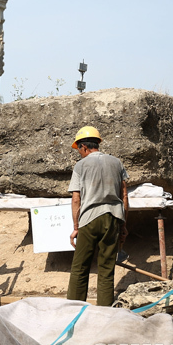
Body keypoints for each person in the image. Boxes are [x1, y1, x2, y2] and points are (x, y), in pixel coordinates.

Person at [66, 126, 129, 306]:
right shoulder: (117, 163)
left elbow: (76, 199)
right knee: (107, 269)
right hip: (113, 218)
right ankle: (104, 314)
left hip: (89, 219)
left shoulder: (80, 166)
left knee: (80, 268)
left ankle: (73, 310)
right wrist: (123, 225)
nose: (79, 153)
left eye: (78, 149)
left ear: (84, 147)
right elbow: (124, 195)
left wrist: (76, 228)